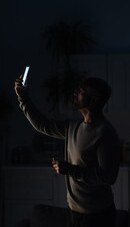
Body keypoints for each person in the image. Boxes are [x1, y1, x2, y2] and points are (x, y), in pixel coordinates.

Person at [15, 76, 120, 227]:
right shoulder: (72, 127)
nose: (76, 93)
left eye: (81, 91)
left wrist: (70, 169)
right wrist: (23, 98)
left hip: (98, 216)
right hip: (74, 213)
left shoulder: (104, 133)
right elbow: (43, 125)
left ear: (93, 101)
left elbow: (108, 176)